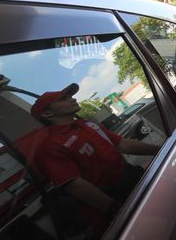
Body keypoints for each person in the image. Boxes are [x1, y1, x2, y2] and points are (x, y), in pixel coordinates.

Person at [30, 83, 159, 236]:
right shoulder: (50, 145)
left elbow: (123, 144)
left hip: (133, 179)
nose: (72, 99)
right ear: (47, 114)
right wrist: (115, 210)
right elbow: (74, 185)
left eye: (70, 95)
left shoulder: (86, 124)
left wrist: (160, 149)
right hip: (114, 200)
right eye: (63, 98)